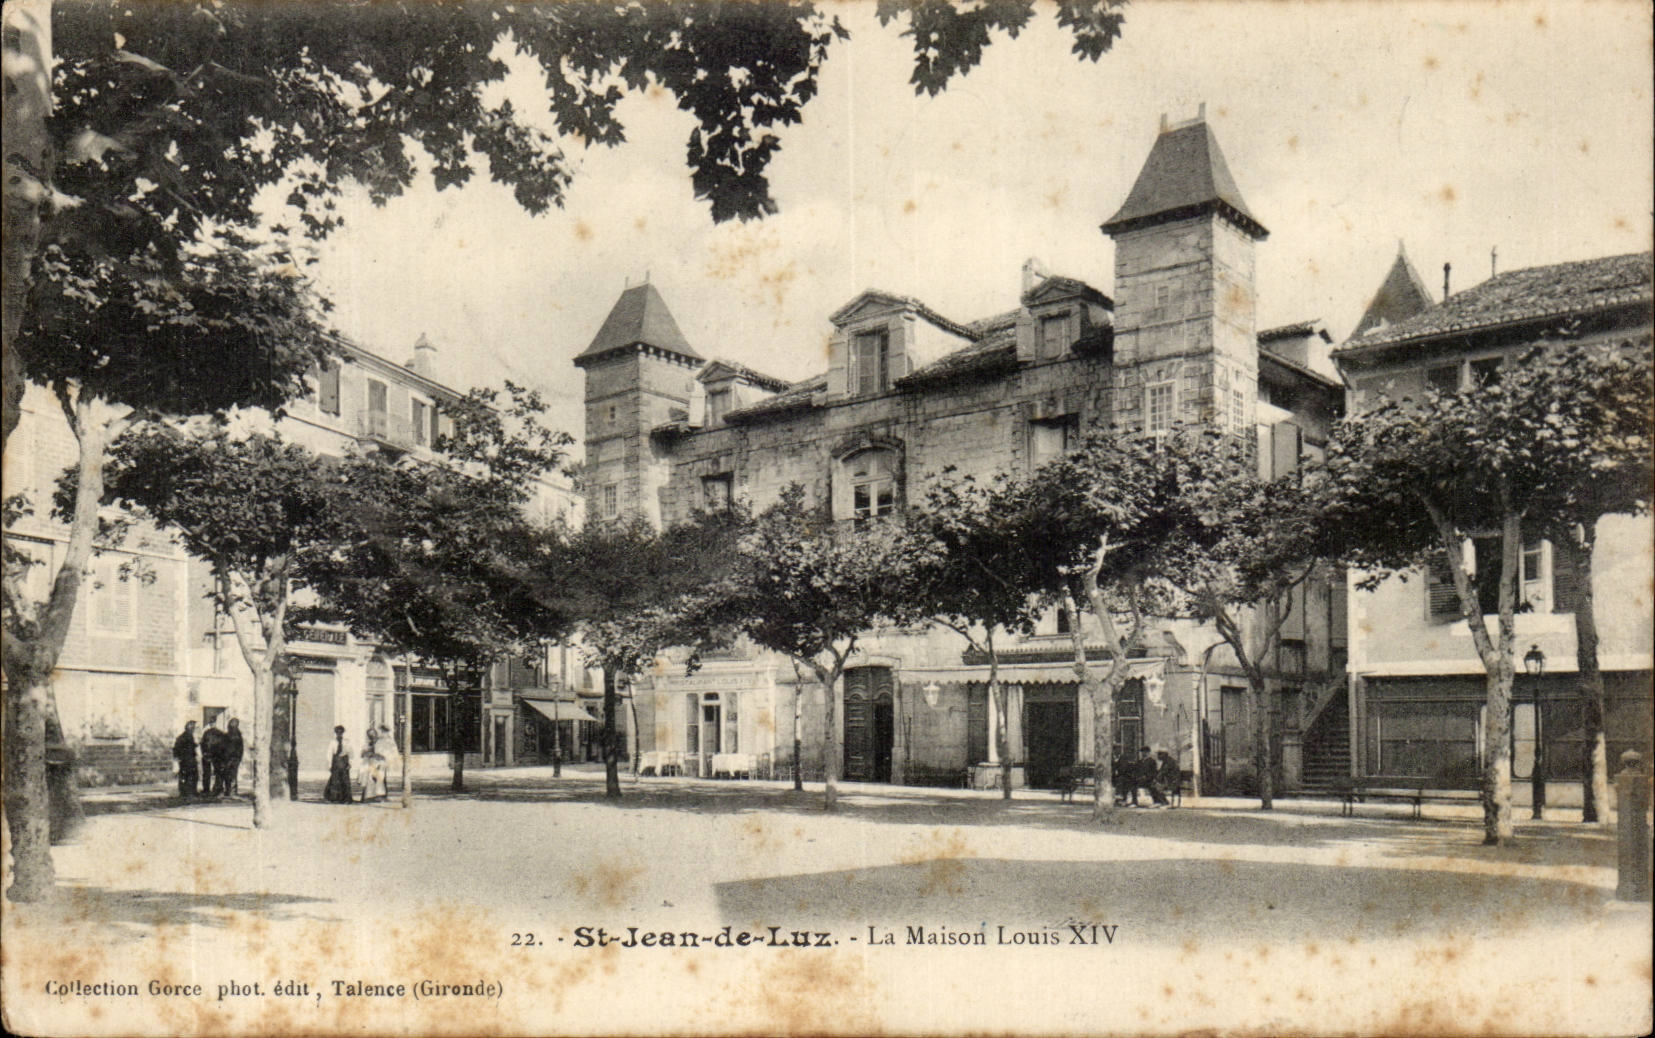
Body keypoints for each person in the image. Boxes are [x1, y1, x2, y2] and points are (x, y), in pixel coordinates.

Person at [323, 725, 353, 803]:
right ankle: (334, 798)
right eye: (337, 732)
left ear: (343, 733)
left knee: (345, 779)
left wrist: (350, 763)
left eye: (341, 732)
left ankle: (346, 798)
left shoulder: (347, 741)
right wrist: (330, 764)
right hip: (336, 761)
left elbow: (350, 753)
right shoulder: (332, 742)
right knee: (335, 779)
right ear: (335, 733)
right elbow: (329, 753)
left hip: (344, 760)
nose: (339, 734)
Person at [359, 728, 388, 802]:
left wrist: (374, 754)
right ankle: (369, 796)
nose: (371, 736)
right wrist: (366, 753)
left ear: (376, 734)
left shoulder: (381, 743)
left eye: (373, 734)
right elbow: (362, 754)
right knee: (369, 779)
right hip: (370, 763)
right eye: (369, 735)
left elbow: (384, 755)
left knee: (379, 779)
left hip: (379, 763)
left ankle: (380, 796)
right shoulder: (368, 744)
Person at [172, 721, 199, 798]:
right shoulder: (188, 737)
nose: (194, 730)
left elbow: (175, 750)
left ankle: (184, 792)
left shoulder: (181, 737)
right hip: (188, 760)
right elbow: (189, 748)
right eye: (193, 728)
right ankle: (190, 792)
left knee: (184, 776)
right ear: (190, 728)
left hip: (184, 760)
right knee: (191, 776)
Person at [199, 719, 225, 798]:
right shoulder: (206, 733)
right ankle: (206, 789)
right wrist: (204, 753)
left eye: (213, 723)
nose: (212, 724)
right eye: (211, 723)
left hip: (217, 756)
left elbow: (223, 745)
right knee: (207, 773)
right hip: (207, 755)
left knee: (218, 772)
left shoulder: (220, 733)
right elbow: (202, 743)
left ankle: (218, 789)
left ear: (215, 723)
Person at [218, 718, 244, 796]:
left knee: (231, 774)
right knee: (230, 774)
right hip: (231, 758)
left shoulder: (234, 735)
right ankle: (230, 791)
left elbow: (237, 749)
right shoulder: (235, 735)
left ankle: (231, 791)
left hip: (231, 758)